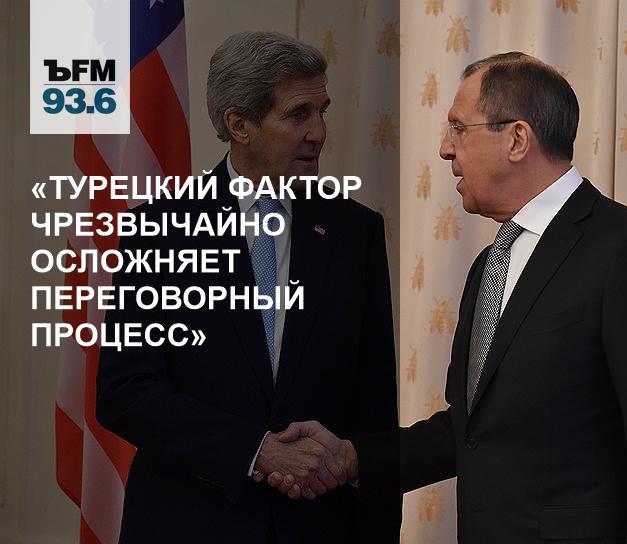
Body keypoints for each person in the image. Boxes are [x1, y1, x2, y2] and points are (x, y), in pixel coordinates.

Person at [270, 52, 627, 543]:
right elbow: (470, 431)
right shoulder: (491, 263)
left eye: (459, 128)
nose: (444, 149)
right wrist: (350, 457)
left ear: (516, 139)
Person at [96, 31, 400, 543]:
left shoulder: (355, 232)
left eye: (322, 112)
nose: (319, 132)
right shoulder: (159, 229)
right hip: (189, 524)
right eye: (298, 114)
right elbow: (125, 392)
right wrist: (256, 451)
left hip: (318, 528)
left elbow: (373, 407)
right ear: (240, 124)